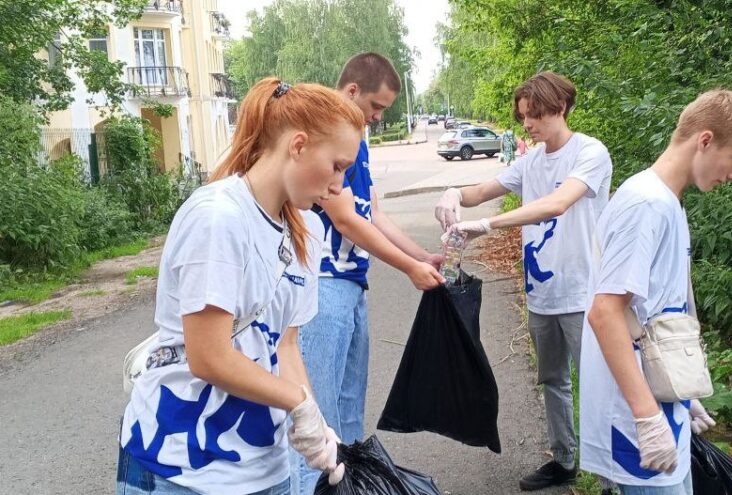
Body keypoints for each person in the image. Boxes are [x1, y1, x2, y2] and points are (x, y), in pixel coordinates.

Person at [116, 79, 365, 494]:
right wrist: (295, 401)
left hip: (264, 470)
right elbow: (209, 357)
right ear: (298, 145)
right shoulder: (219, 218)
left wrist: (314, 424)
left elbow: (284, 345)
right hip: (179, 468)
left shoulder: (309, 231)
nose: (339, 186)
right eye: (337, 166)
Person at [434, 71, 613, 491]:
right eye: (523, 117)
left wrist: (487, 225)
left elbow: (557, 203)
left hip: (584, 293)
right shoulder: (531, 159)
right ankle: (564, 460)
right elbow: (482, 189)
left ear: (561, 108)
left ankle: (610, 479)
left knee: (600, 386)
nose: (527, 125)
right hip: (541, 294)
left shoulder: (590, 153)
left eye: (534, 116)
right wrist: (454, 194)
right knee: (552, 380)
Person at [580, 89, 732, 494]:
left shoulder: (669, 203)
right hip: (635, 424)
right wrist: (647, 416)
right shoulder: (646, 205)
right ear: (705, 140)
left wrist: (678, 391)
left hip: (662, 408)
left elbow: (654, 312)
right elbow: (605, 312)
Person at [291, 52, 445, 494]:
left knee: (347, 415)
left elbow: (373, 212)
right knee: (314, 422)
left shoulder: (360, 142)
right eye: (376, 107)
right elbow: (344, 218)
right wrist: (408, 269)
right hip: (323, 285)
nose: (378, 118)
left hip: (351, 286)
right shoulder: (331, 141)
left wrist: (422, 257)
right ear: (352, 90)